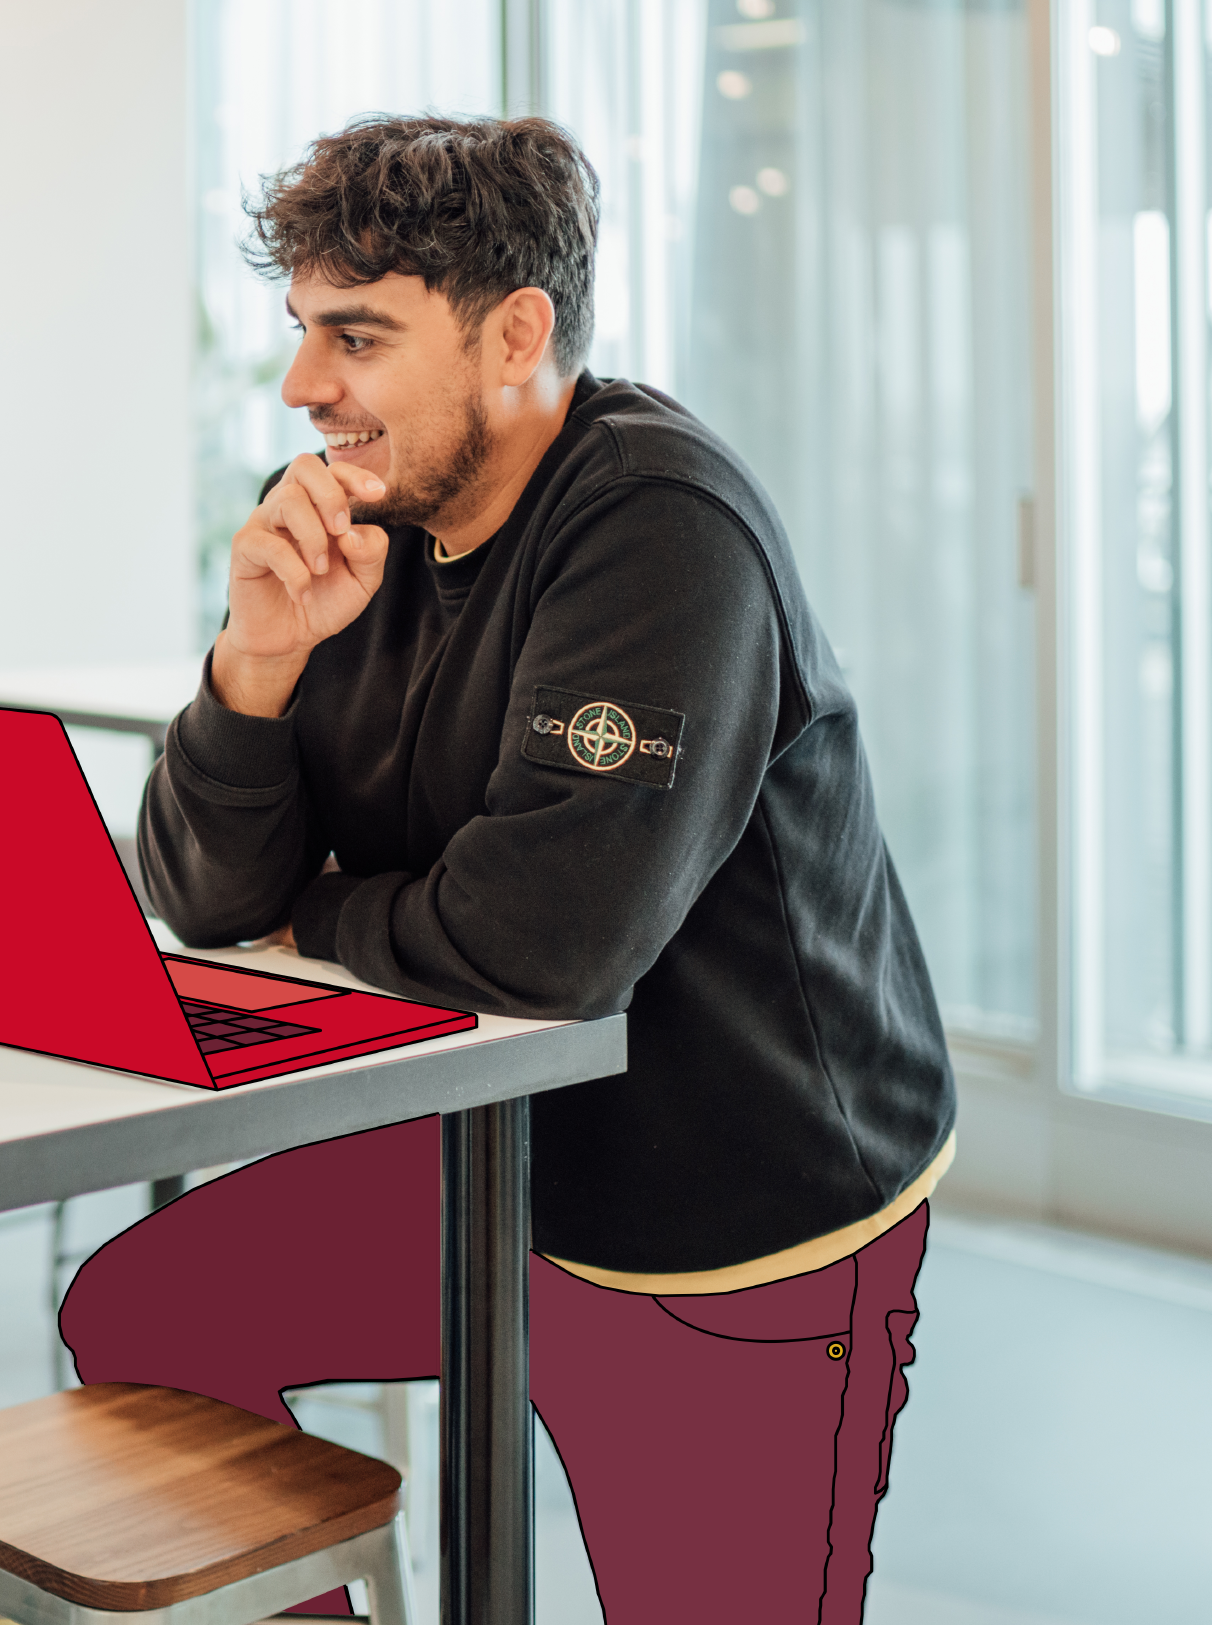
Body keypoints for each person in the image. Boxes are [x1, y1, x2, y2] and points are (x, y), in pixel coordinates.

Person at [57, 116, 956, 1623]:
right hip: (494, 1157)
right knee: (148, 1314)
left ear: (512, 334)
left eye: (356, 335)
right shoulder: (374, 529)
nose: (299, 387)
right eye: (300, 332)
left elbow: (543, 943)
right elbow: (204, 896)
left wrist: (319, 912)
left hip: (733, 1222)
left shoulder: (661, 527)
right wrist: (257, 664)